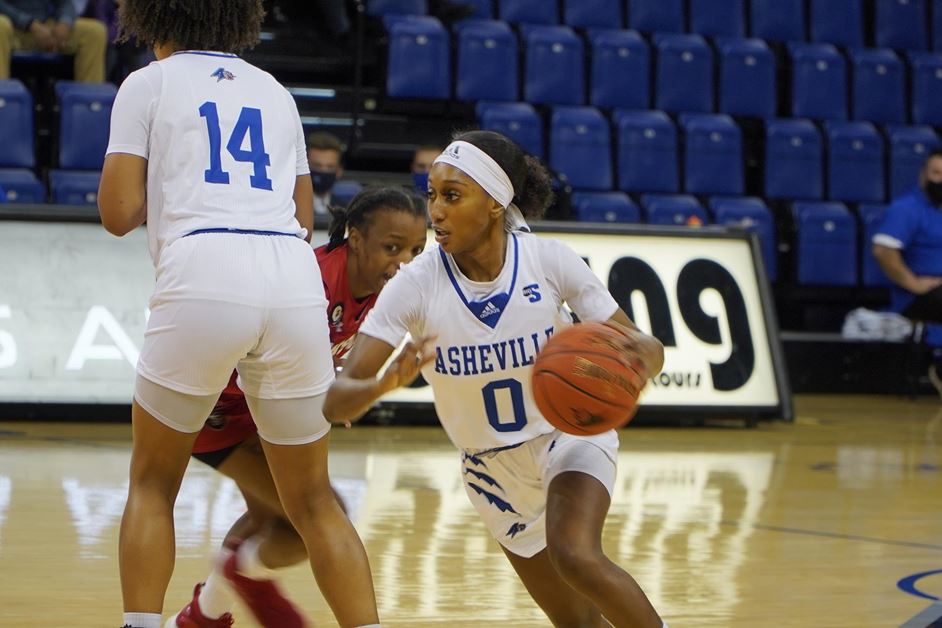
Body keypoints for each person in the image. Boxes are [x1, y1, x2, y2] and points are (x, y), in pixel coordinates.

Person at [97, 2, 379, 627]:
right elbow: (305, 218)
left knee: (152, 483)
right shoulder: (275, 90)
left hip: (204, 270)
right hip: (290, 273)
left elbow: (117, 213)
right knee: (312, 501)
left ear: (151, 15)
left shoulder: (148, 83)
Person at [324, 130, 668, 628]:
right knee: (577, 621)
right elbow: (335, 403)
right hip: (490, 472)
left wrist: (638, 356)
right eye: (432, 195)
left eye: (452, 196)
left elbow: (649, 350)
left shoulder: (548, 261)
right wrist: (381, 386)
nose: (435, 211)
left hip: (566, 437)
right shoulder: (414, 285)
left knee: (576, 556)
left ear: (493, 202)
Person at [168, 187, 427, 628]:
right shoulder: (315, 279)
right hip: (222, 408)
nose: (403, 261)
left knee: (279, 519)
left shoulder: (388, 293)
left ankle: (203, 615)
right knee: (320, 516)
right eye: (392, 247)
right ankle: (237, 577)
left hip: (266, 403)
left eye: (416, 250)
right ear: (356, 238)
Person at [873, 149, 942, 396]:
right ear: (923, 176)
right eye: (936, 173)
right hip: (920, 297)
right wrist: (912, 283)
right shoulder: (907, 208)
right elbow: (883, 250)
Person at [0, 0, 107, 81]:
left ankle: (89, 105)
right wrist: (29, 24)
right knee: (1, 25)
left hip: (44, 27)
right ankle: (3, 100)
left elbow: (66, 3)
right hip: (12, 27)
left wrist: (65, 23)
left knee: (94, 32)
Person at [306, 130, 344, 218]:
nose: (323, 171)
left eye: (330, 167)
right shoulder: (289, 207)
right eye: (317, 166)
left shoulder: (345, 210)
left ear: (339, 171)